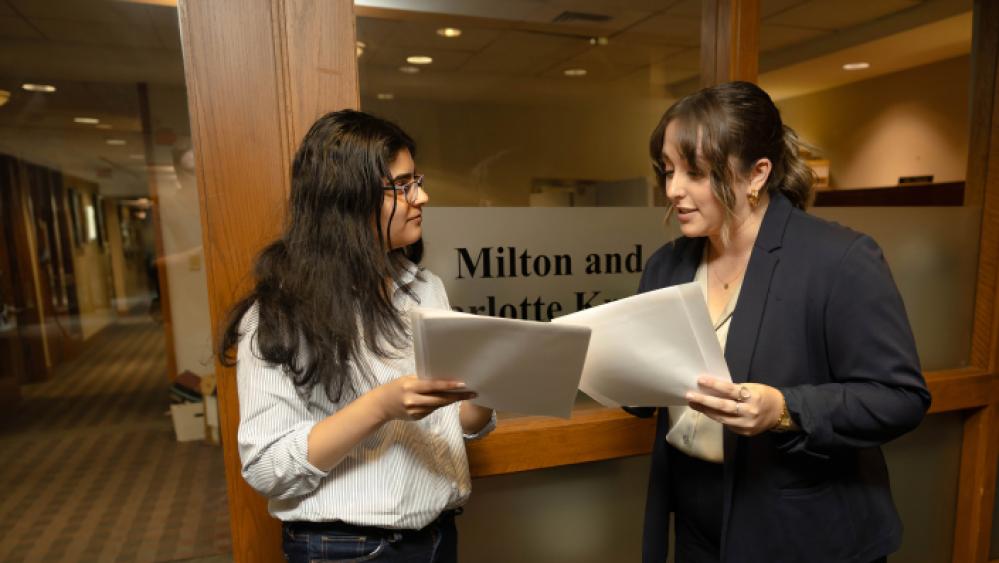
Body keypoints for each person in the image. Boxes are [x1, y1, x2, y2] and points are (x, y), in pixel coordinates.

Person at [627, 81, 930, 563]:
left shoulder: (839, 259)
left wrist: (783, 409)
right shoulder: (668, 265)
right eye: (667, 171)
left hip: (803, 529)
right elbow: (644, 396)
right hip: (695, 519)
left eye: (696, 172)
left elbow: (900, 399)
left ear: (757, 174)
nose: (673, 191)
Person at [218, 110, 495, 563]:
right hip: (347, 549)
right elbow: (266, 466)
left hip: (438, 536)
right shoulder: (279, 313)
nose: (422, 196)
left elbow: (451, 422)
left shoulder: (424, 288)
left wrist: (489, 388)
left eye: (416, 180)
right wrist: (382, 406)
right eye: (403, 186)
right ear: (349, 199)